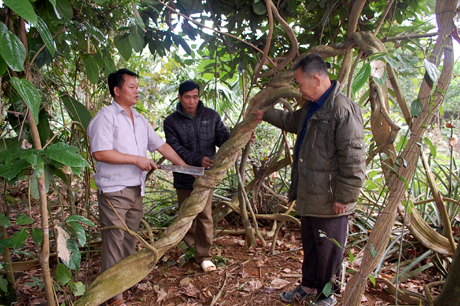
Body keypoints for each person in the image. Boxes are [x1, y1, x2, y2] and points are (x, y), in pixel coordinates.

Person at [252, 54, 366, 306]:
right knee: (312, 245)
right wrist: (266, 114)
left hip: (330, 198)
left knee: (329, 249)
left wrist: (343, 197)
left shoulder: (342, 109)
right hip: (310, 193)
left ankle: (328, 294)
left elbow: (354, 159)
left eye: (301, 83)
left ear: (316, 79)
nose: (300, 89)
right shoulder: (312, 106)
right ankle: (309, 286)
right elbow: (292, 121)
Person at [87, 68, 188, 306]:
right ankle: (114, 297)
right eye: (131, 87)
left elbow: (161, 146)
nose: (136, 91)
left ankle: (122, 283)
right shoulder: (105, 118)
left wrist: (185, 167)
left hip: (136, 190)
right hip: (114, 190)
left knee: (129, 241)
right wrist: (135, 159)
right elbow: (100, 153)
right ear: (116, 90)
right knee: (114, 241)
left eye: (137, 87)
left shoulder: (140, 120)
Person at [164, 80, 230, 272]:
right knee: (186, 214)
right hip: (184, 175)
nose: (191, 101)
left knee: (204, 215)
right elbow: (174, 148)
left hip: (206, 176)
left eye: (195, 96)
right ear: (180, 97)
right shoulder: (171, 122)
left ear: (199, 97)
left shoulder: (211, 116)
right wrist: (196, 159)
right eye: (187, 97)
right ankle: (188, 249)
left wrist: (235, 138)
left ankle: (204, 256)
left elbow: (223, 137)